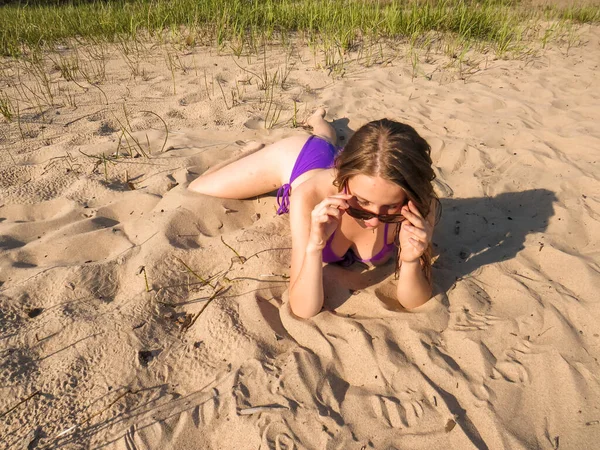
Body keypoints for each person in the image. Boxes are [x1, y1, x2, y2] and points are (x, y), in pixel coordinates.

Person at [188, 108, 439, 318]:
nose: (374, 221)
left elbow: (413, 302)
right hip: (300, 158)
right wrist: (314, 246)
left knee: (327, 140)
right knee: (199, 187)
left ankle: (321, 124)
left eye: (390, 208)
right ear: (343, 178)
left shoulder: (420, 205)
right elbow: (303, 308)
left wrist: (410, 260)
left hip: (352, 165)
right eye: (361, 202)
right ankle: (258, 150)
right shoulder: (309, 196)